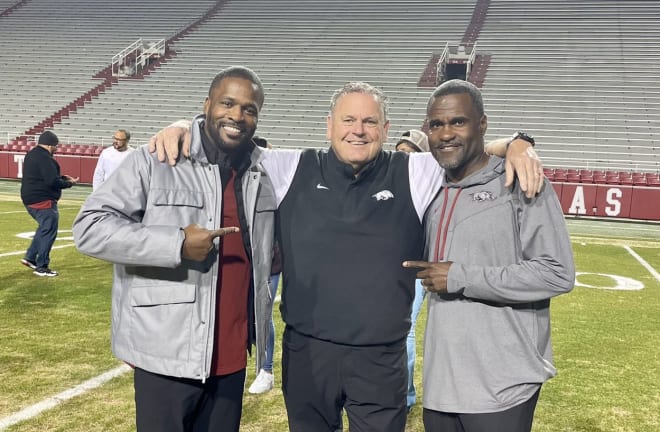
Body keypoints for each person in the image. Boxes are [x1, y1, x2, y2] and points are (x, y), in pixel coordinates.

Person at [150, 81, 544, 431]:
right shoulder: (290, 166)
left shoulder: (414, 171)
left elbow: (463, 147)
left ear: (385, 130)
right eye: (348, 120)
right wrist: (184, 124)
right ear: (329, 125)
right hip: (307, 354)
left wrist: (516, 143)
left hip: (380, 358)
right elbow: (228, 134)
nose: (358, 130)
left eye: (370, 122)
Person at [72, 66, 277, 432]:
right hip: (165, 355)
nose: (237, 115)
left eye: (250, 109)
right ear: (207, 104)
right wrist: (176, 243)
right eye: (228, 103)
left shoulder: (262, 172)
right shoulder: (156, 158)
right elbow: (89, 228)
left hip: (231, 359)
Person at [403, 79, 575, 432]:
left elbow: (556, 272)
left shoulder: (520, 181)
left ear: (482, 124)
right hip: (441, 383)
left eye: (458, 122)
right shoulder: (428, 186)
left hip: (503, 383)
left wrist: (461, 277)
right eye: (436, 124)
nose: (445, 133)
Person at [394, 129, 429, 413]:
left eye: (410, 152)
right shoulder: (386, 183)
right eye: (399, 150)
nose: (402, 156)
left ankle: (403, 397)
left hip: (416, 269)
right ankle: (403, 391)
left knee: (405, 329)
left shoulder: (428, 187)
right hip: (388, 268)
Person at [20, 130, 78, 277]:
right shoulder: (46, 158)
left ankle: (30, 257)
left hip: (30, 197)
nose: (56, 149)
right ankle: (42, 266)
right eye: (55, 146)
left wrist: (62, 177)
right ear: (51, 145)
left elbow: (43, 175)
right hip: (42, 199)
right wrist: (68, 183)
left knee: (44, 228)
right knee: (49, 230)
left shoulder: (32, 154)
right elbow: (52, 181)